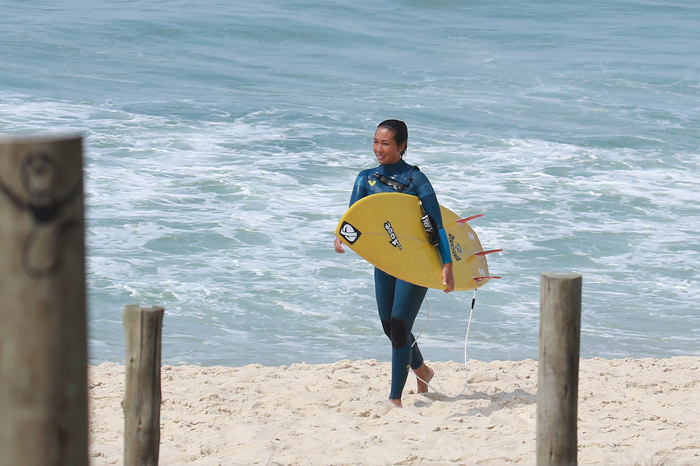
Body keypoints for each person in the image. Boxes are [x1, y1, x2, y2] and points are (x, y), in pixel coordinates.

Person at [334, 119, 454, 407]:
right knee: (389, 325)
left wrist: (447, 264)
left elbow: (437, 225)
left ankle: (395, 399)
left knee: (400, 325)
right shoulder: (366, 178)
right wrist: (342, 237)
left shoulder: (416, 180)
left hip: (416, 261)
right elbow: (354, 219)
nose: (378, 148)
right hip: (386, 261)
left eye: (385, 143)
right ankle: (422, 370)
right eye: (376, 141)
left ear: (402, 146)